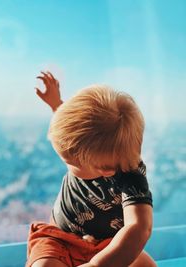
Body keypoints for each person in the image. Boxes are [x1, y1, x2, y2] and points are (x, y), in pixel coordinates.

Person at [26, 71, 157, 267]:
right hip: (60, 238)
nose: (66, 163)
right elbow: (77, 135)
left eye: (70, 162)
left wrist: (97, 265)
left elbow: (139, 227)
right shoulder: (97, 151)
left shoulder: (131, 178)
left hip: (108, 244)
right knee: (43, 265)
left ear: (105, 170)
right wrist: (57, 104)